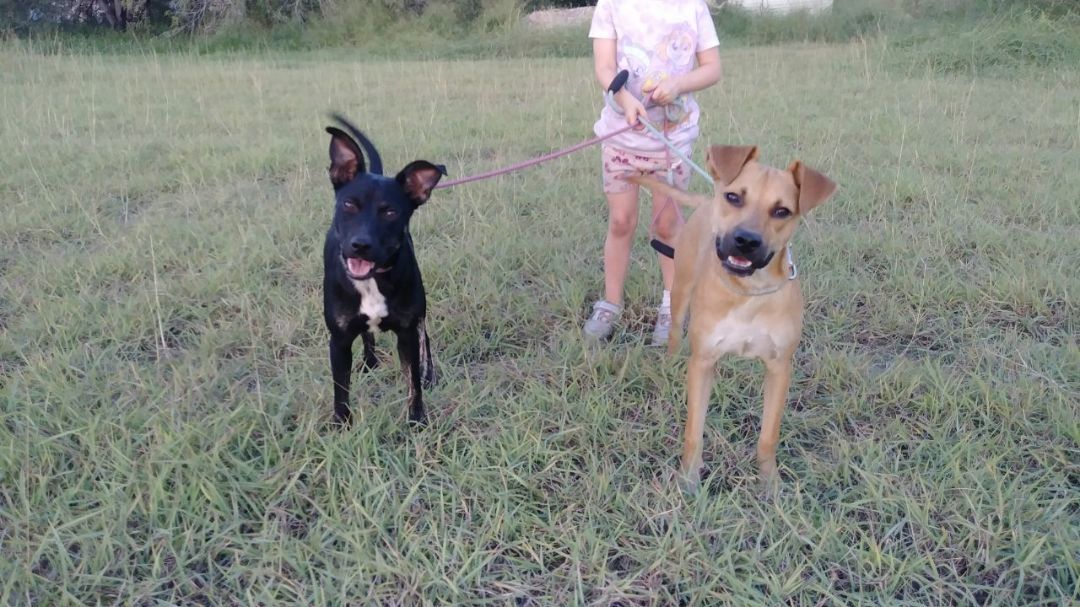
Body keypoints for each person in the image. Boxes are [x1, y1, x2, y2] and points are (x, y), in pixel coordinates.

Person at [584, 0, 722, 345]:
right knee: (621, 221)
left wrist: (678, 84)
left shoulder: (693, 7)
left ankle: (671, 305)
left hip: (672, 142)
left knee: (667, 226)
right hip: (621, 139)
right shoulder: (611, 5)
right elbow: (604, 66)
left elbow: (712, 68)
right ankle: (610, 302)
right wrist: (623, 99)